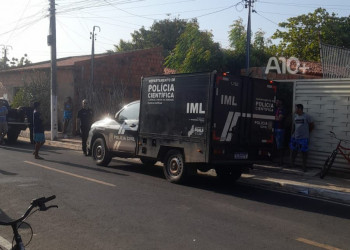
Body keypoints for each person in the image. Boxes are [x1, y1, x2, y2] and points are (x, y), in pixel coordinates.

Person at [290, 104, 314, 172]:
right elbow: (294, 126)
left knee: (304, 152)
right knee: (294, 151)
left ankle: (304, 166)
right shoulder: (295, 116)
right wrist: (292, 134)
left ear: (300, 109)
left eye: (296, 109)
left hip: (303, 138)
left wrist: (307, 132)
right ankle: (292, 164)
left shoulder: (307, 116)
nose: (295, 110)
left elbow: (312, 125)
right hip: (295, 137)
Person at [274, 99, 285, 165]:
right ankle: (276, 161)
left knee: (280, 146)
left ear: (281, 102)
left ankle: (281, 161)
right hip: (275, 128)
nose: (276, 102)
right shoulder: (276, 109)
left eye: (278, 101)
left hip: (280, 129)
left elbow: (279, 119)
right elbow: (277, 118)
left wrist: (273, 117)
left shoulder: (282, 110)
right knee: (276, 146)